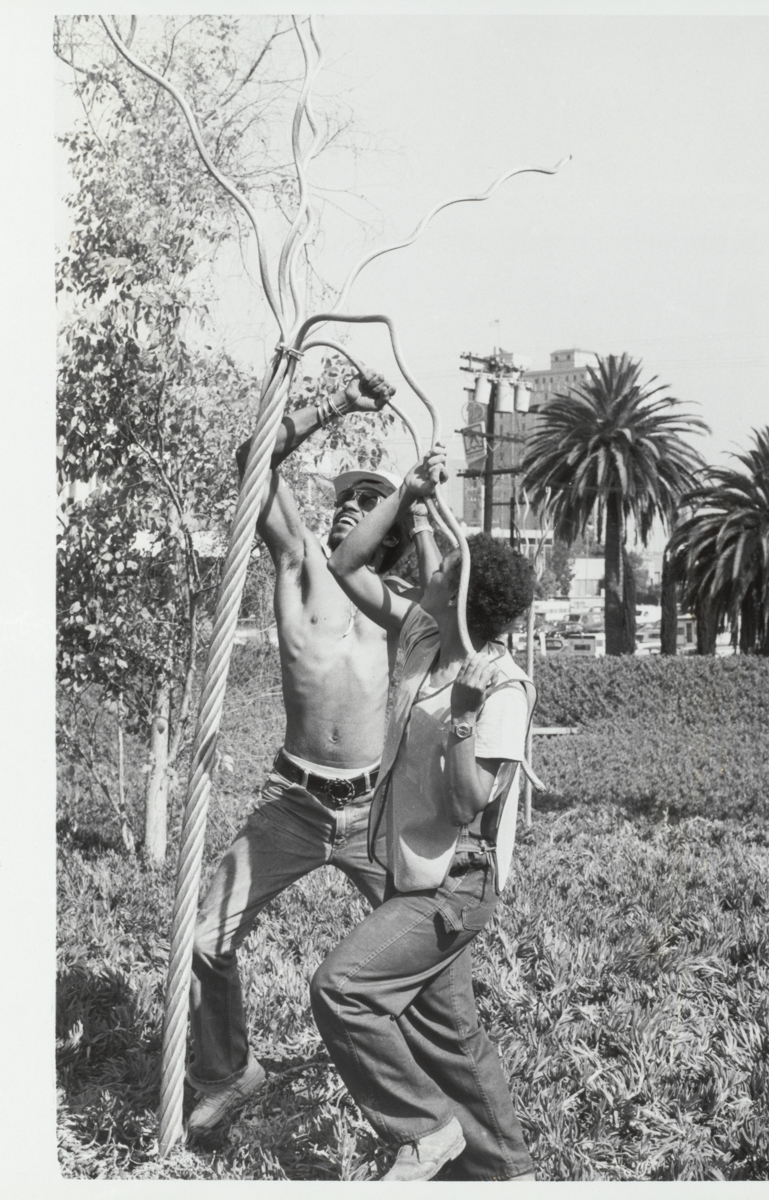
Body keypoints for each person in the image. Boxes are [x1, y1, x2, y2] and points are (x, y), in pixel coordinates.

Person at [187, 367, 439, 1135]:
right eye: (345, 499)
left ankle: (430, 1100)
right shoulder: (299, 563)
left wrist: (419, 502)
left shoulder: (399, 604)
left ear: (388, 530)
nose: (350, 510)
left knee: (422, 956)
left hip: (374, 811)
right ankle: (231, 1074)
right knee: (204, 941)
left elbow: (446, 589)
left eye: (368, 502)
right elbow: (250, 460)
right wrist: (336, 405)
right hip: (293, 803)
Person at [311, 444, 538, 1182]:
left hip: (454, 885)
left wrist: (464, 720)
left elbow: (472, 800)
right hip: (413, 869)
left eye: (443, 571)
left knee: (343, 989)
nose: (429, 569)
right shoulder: (421, 635)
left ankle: (428, 1130)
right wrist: (411, 493)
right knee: (450, 1032)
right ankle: (508, 1175)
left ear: (460, 598)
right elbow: (347, 564)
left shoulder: (500, 686)